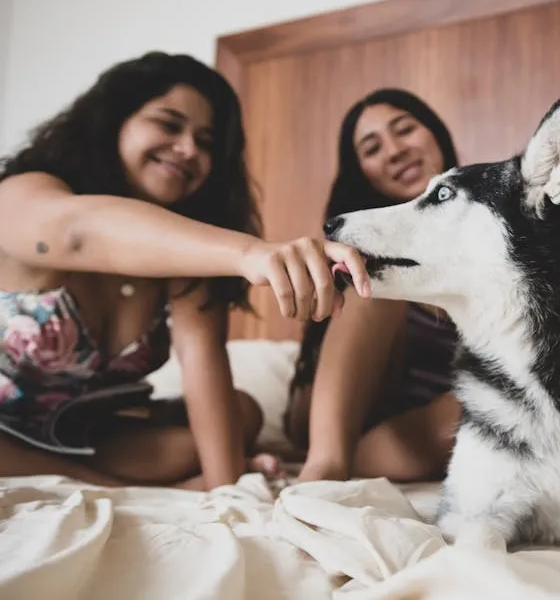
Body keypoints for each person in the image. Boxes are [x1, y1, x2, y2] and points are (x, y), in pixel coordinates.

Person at [0, 51, 369, 490]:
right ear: (112, 121)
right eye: (169, 125)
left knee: (242, 413)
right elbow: (75, 232)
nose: (189, 149)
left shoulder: (187, 257)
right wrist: (250, 253)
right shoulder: (27, 192)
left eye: (207, 142)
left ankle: (97, 479)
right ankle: (108, 486)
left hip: (80, 436)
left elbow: (203, 369)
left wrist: (228, 492)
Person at [284, 88, 462, 484]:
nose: (395, 151)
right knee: (376, 288)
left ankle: (336, 461)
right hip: (344, 417)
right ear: (360, 172)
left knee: (492, 399)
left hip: (418, 426)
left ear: (437, 135)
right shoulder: (352, 250)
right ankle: (324, 465)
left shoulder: (493, 232)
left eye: (405, 130)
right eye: (372, 148)